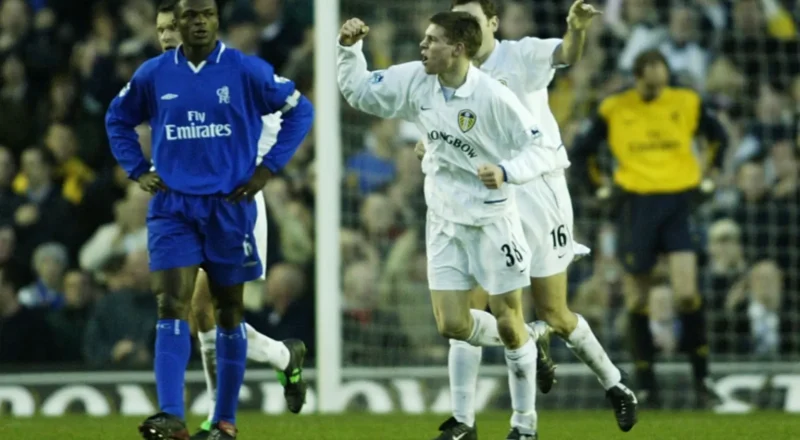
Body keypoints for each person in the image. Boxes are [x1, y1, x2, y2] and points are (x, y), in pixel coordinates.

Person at [339, 12, 571, 440]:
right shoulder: (416, 81)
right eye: (424, 39)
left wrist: (506, 170)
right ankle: (527, 340)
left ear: (458, 49)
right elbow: (360, 93)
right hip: (444, 221)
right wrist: (349, 50)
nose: (422, 46)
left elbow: (543, 149)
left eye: (432, 40)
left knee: (505, 316)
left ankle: (524, 425)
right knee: (452, 325)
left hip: (493, 221)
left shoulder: (493, 97)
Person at [413, 1, 637, 438]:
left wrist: (575, 29)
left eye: (471, 20)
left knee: (554, 311)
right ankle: (464, 420)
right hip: (485, 196)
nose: (464, 29)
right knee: (470, 306)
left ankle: (616, 385)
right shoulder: (450, 75)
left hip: (538, 190)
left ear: (492, 24)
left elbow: (567, 53)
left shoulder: (521, 55)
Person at [106, 0, 314, 438]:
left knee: (221, 311)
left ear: (216, 19)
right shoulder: (155, 73)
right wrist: (138, 169)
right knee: (177, 305)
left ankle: (230, 412)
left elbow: (300, 110)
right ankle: (174, 414)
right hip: (175, 206)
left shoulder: (246, 71)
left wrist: (268, 169)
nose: (179, 29)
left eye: (204, 14)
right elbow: (116, 118)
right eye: (170, 24)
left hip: (234, 201)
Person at [571, 49, 728, 408]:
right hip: (635, 204)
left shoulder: (686, 101)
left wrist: (711, 176)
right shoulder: (615, 107)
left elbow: (718, 138)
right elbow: (582, 152)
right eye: (654, 77)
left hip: (677, 201)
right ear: (639, 76)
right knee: (637, 298)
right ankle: (646, 386)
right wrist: (599, 188)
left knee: (687, 293)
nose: (660, 84)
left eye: (664, 76)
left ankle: (702, 379)